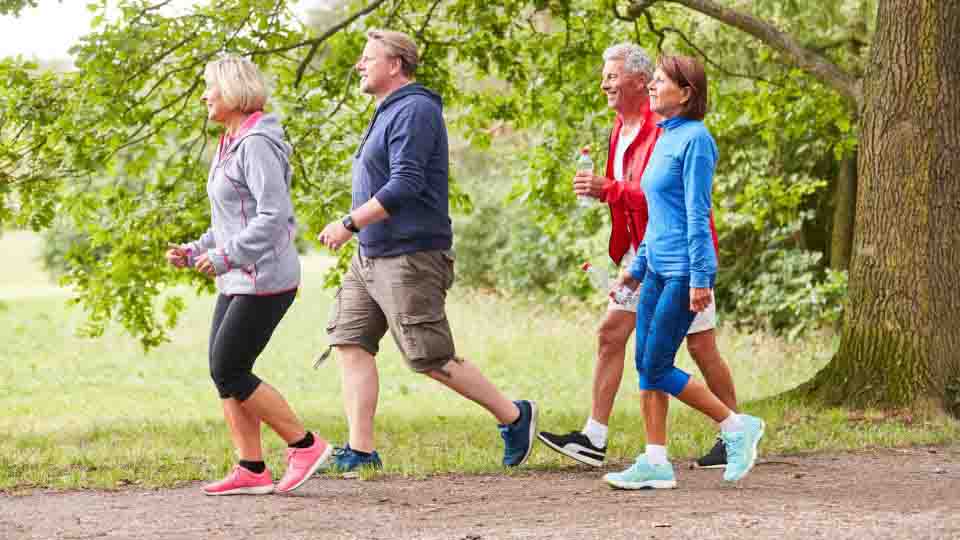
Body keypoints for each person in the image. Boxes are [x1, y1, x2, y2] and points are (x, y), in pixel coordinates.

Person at [317, 29, 536, 473]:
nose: (359, 65)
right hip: (371, 255)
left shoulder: (414, 110)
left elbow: (406, 183)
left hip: (410, 255)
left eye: (367, 58)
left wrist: (348, 222)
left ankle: (514, 416)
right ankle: (361, 451)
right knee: (349, 340)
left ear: (395, 64)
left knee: (429, 358)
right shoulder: (387, 111)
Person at [538, 43, 737, 469]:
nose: (604, 83)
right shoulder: (619, 128)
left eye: (611, 75)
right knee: (613, 335)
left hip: (677, 254)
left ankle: (733, 431)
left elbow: (665, 201)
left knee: (698, 347)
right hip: (643, 253)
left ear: (639, 80)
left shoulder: (664, 128)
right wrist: (629, 256)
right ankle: (600, 438)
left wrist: (606, 188)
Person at [166, 55, 331, 495]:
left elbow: (274, 217)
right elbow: (231, 218)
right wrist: (197, 249)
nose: (204, 95)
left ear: (233, 91)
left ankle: (305, 445)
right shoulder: (230, 140)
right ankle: (251, 468)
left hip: (266, 277)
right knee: (224, 371)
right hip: (239, 274)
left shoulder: (257, 142)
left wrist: (226, 256)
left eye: (210, 87)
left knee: (230, 367)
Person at [601, 55, 764, 490]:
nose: (652, 87)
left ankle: (735, 426)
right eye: (651, 80)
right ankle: (655, 461)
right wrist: (635, 271)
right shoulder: (665, 137)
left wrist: (700, 278)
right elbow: (659, 216)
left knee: (656, 366)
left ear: (686, 92)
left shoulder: (696, 140)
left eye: (659, 81)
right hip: (656, 270)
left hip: (682, 273)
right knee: (644, 364)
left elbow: (697, 213)